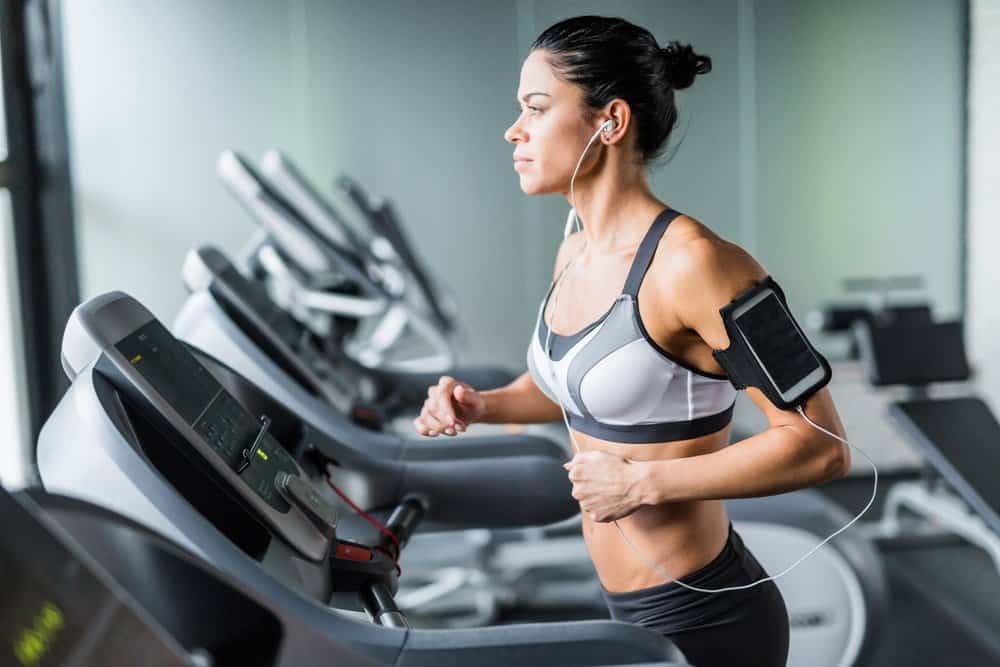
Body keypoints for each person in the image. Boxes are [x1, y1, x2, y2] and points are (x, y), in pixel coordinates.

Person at [413, 15, 850, 667]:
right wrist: (484, 405)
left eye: (536, 108)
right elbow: (579, 386)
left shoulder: (699, 265)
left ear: (609, 122)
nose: (515, 130)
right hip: (623, 606)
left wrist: (643, 484)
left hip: (708, 613)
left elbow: (822, 448)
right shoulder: (576, 251)